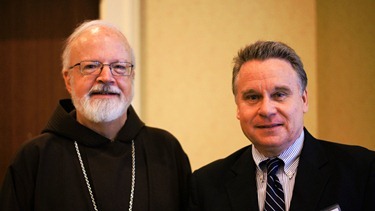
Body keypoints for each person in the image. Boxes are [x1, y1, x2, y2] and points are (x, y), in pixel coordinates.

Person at [0, 20, 191, 211]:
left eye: (119, 67)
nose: (106, 77)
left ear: (132, 76)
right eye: (91, 66)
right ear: (68, 79)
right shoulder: (34, 158)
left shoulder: (166, 150)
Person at [189, 41, 375, 211]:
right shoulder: (206, 185)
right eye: (252, 97)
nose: (267, 110)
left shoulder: (363, 171)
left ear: (303, 100)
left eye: (279, 94)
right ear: (238, 107)